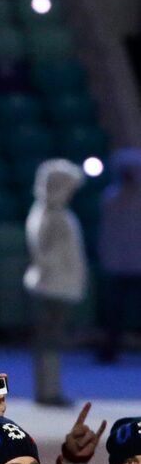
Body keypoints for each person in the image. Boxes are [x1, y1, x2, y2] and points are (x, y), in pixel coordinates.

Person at [23, 158, 87, 406]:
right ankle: (48, 392)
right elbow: (45, 254)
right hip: (50, 287)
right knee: (48, 342)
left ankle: (50, 389)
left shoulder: (56, 214)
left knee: (51, 342)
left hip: (59, 286)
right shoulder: (49, 216)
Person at [97, 149, 141, 362]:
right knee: (114, 312)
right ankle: (109, 350)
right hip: (118, 265)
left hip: (137, 263)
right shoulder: (112, 197)